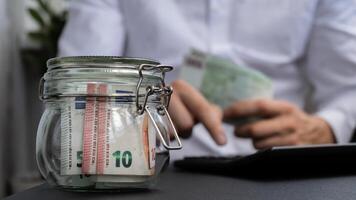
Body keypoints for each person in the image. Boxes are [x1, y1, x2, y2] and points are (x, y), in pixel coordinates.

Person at [59, 0, 356, 159]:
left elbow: (347, 89)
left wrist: (324, 127)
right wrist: (137, 113)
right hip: (155, 168)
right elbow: (76, 93)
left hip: (283, 168)